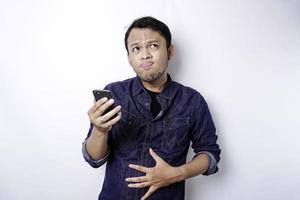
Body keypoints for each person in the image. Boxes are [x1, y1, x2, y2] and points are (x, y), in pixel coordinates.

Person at [82, 16, 221, 200]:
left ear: (170, 52)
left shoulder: (193, 101)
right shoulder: (114, 93)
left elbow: (209, 155)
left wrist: (177, 174)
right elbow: (94, 159)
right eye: (136, 48)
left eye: (153, 46)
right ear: (129, 58)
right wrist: (100, 130)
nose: (144, 54)